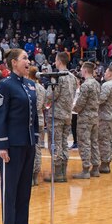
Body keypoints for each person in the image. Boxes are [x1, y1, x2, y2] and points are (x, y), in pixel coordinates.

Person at [0, 48, 39, 224]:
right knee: (10, 187)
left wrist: (35, 137)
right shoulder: (5, 86)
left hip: (28, 142)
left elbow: (34, 115)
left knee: (24, 186)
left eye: (28, 58)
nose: (28, 61)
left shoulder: (30, 85)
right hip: (11, 144)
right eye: (24, 58)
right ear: (13, 63)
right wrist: (2, 145)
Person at [43, 51, 76, 183]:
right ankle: (62, 171)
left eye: (55, 60)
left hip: (56, 115)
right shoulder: (73, 76)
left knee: (55, 143)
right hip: (67, 114)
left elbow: (51, 95)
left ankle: (58, 173)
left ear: (59, 61)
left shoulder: (57, 76)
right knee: (63, 143)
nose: (54, 63)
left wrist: (45, 100)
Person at [72, 61, 101, 178]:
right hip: (94, 116)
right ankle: (95, 168)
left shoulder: (86, 85)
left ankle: (85, 169)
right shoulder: (96, 83)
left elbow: (81, 102)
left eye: (81, 70)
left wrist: (73, 109)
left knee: (84, 142)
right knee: (94, 142)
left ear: (84, 71)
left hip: (85, 117)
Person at [98, 66, 112, 173]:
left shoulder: (107, 85)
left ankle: (104, 163)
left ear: (110, 74)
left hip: (105, 116)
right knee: (110, 140)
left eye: (106, 72)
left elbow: (101, 100)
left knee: (104, 140)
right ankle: (108, 161)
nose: (104, 73)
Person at [27, 65, 46, 185]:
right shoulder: (42, 88)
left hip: (30, 121)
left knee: (29, 149)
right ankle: (35, 175)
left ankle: (29, 175)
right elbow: (44, 106)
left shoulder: (29, 86)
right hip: (40, 119)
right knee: (38, 148)